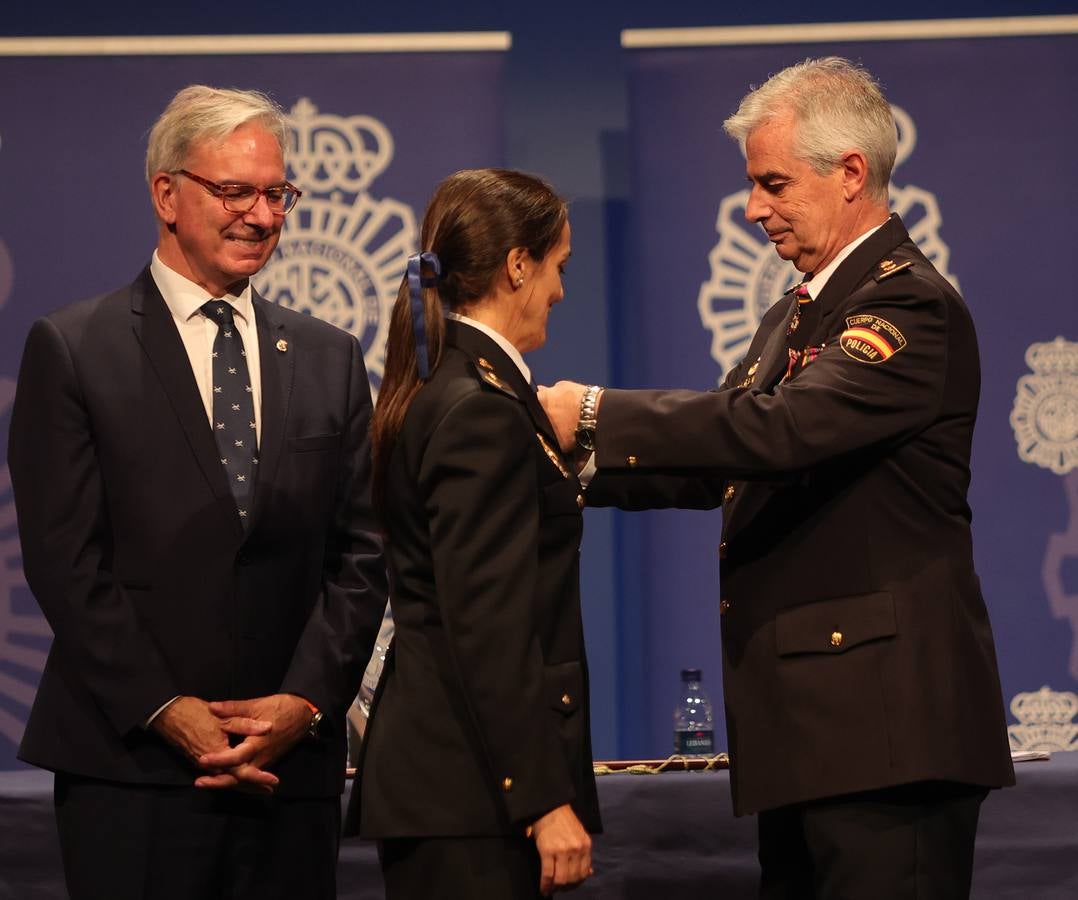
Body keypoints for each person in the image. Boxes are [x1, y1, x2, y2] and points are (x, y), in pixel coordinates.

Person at [540, 57, 1015, 898]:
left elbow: (780, 430)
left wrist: (591, 413)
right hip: (816, 735)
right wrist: (557, 466)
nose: (755, 207)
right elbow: (719, 460)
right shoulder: (800, 309)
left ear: (851, 174)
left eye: (773, 183)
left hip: (886, 741)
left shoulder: (909, 309)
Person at [8, 84, 388, 900]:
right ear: (167, 194)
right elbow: (66, 560)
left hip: (291, 770)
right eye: (235, 191)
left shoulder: (329, 355)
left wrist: (304, 701)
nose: (261, 214)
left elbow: (362, 554)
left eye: (277, 193)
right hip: (133, 767)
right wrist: (164, 707)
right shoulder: (74, 349)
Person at [347, 168, 598, 898]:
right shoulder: (479, 408)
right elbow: (486, 623)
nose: (560, 289)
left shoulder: (450, 386)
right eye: (558, 266)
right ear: (518, 264)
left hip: (458, 788)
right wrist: (542, 798)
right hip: (473, 795)